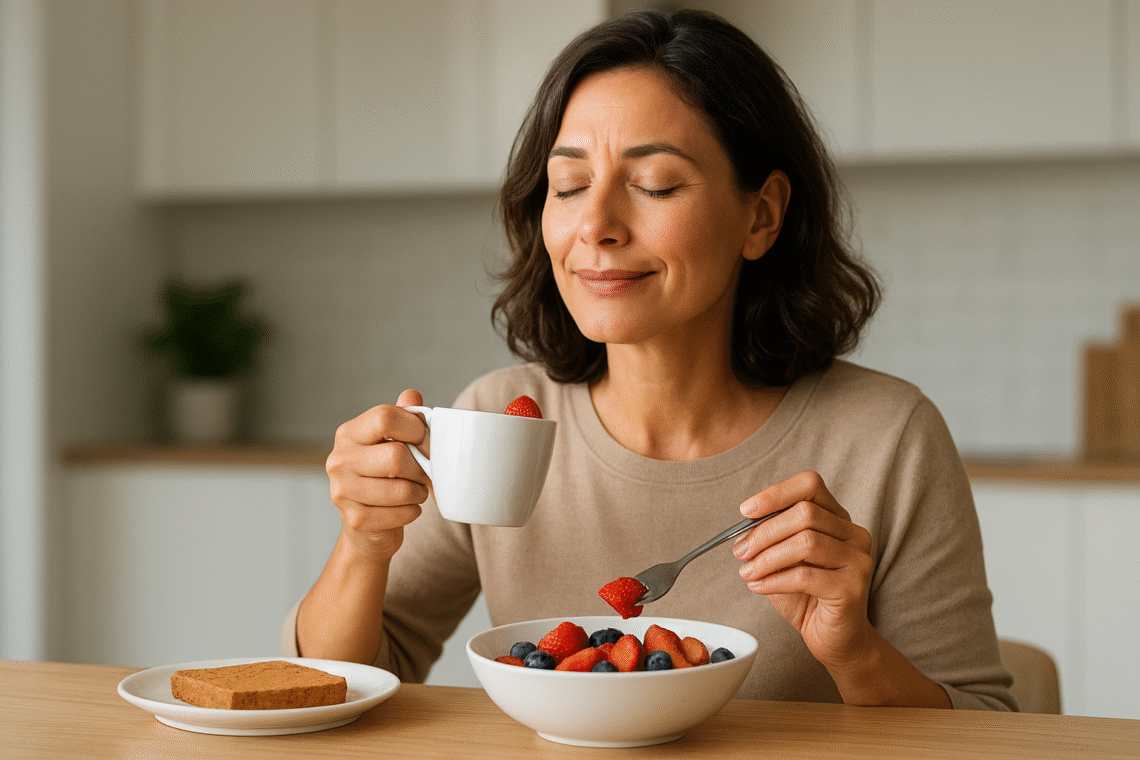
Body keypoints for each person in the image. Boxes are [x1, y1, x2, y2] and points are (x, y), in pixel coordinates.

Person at [281, 9, 1016, 711]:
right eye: (568, 186)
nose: (595, 225)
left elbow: (985, 729)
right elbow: (335, 685)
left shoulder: (887, 437)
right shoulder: (492, 421)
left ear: (760, 216)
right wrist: (363, 543)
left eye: (655, 184)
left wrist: (852, 651)